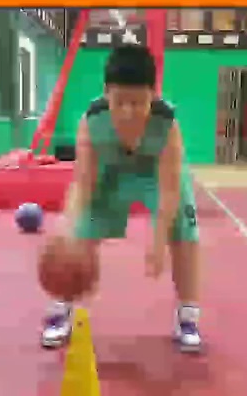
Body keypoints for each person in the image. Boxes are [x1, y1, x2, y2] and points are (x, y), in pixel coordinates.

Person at [40, 44, 203, 353]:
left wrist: (158, 241)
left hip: (155, 175)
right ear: (106, 94)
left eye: (138, 102)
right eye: (120, 102)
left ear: (153, 95)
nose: (128, 111)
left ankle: (188, 316)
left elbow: (170, 189)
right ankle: (61, 307)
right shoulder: (92, 121)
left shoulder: (167, 125)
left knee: (185, 230)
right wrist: (67, 227)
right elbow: (83, 183)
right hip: (110, 174)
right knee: (78, 233)